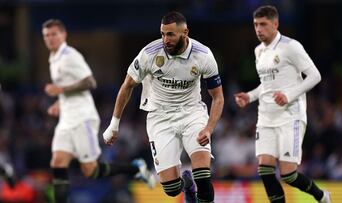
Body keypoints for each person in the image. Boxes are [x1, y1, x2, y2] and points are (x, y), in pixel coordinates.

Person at [103, 11, 224, 203]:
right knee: (171, 189)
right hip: (160, 118)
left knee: (203, 176)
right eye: (162, 34)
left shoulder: (203, 55)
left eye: (170, 34)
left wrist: (209, 128)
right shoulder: (149, 54)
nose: (165, 39)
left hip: (192, 113)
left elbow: (218, 97)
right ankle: (187, 187)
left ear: (185, 32)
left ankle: (196, 186)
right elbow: (127, 86)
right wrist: (114, 124)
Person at [42, 19, 155, 203]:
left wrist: (62, 90)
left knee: (90, 170)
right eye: (46, 35)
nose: (50, 38)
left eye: (54, 34)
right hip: (69, 117)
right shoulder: (54, 59)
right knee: (58, 162)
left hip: (83, 117)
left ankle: (135, 168)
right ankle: (134, 169)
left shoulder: (71, 56)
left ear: (63, 35)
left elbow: (89, 82)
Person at [234, 5, 331, 203]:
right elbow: (266, 85)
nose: (258, 29)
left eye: (263, 24)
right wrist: (250, 96)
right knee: (265, 170)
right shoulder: (258, 51)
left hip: (290, 116)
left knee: (288, 174)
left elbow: (315, 75)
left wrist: (289, 94)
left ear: (275, 24)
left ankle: (321, 196)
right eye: (255, 25)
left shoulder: (291, 46)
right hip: (266, 118)